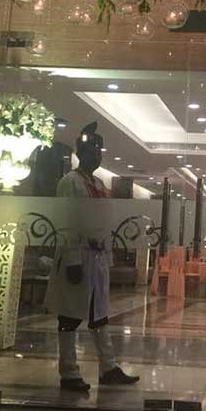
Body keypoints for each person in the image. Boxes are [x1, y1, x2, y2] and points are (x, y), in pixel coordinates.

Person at [51, 122, 140, 392]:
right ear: (81, 153)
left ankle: (108, 368)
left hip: (97, 258)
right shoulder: (70, 182)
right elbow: (66, 222)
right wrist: (73, 260)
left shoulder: (98, 184)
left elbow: (104, 223)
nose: (97, 156)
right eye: (92, 151)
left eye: (99, 151)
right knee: (69, 316)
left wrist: (108, 257)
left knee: (99, 315)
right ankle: (68, 373)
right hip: (78, 256)